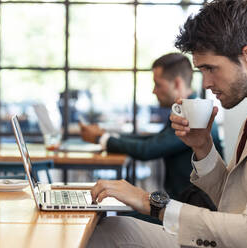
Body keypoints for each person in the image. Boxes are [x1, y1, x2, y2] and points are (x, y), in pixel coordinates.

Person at [86, 1, 247, 247]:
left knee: (112, 236)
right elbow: (233, 202)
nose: (206, 83)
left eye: (211, 68)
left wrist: (151, 202)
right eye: (201, 71)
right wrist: (204, 148)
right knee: (111, 230)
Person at [80, 53, 222, 201]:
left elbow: (148, 149)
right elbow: (154, 139)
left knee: (113, 213)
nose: (154, 91)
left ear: (177, 83)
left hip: (189, 210)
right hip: (180, 204)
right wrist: (107, 135)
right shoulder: (189, 110)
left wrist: (101, 138)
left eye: (158, 84)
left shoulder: (195, 118)